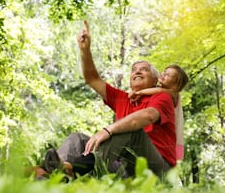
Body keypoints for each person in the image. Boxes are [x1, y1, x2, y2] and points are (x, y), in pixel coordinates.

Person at [27, 21, 187, 179]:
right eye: (134, 70)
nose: (137, 71)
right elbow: (92, 79)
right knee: (78, 139)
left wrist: (108, 130)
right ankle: (55, 175)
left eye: (144, 69)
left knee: (129, 130)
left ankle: (74, 170)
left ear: (155, 80)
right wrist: (85, 50)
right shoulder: (121, 99)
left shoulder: (162, 96)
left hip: (157, 170)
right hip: (126, 168)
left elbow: (148, 116)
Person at [128, 64, 189, 161]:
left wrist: (139, 92)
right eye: (164, 71)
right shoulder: (161, 91)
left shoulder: (173, 93)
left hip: (167, 140)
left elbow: (159, 90)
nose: (163, 74)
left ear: (175, 86)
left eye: (168, 75)